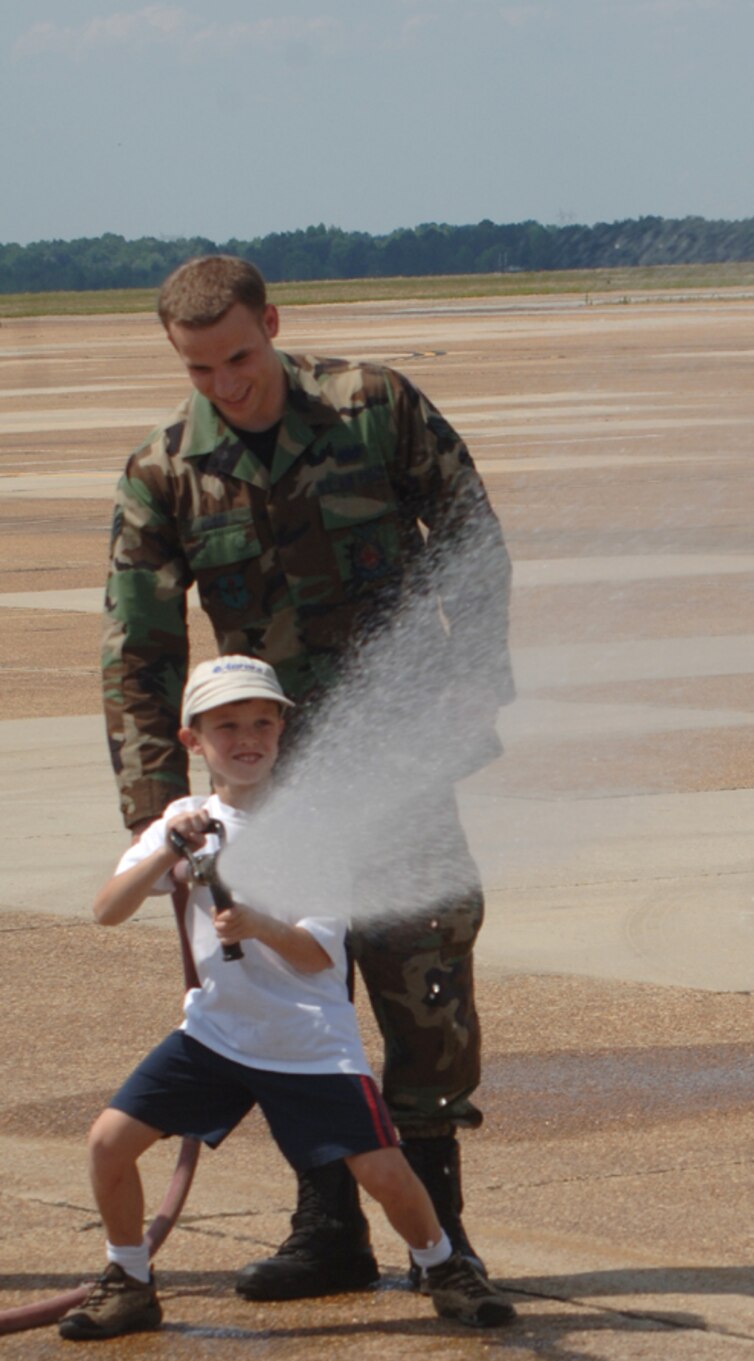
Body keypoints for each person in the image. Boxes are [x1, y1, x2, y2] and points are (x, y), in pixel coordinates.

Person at [102, 254, 512, 1302]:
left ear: (272, 325)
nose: (226, 385)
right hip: (263, 779)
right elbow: (138, 652)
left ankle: (442, 1235)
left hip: (398, 757)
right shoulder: (163, 472)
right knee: (286, 993)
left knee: (422, 973)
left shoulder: (374, 409)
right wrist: (158, 815)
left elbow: (471, 540)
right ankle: (328, 1228)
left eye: (239, 358)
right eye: (199, 370)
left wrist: (471, 685)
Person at [63, 655, 515, 1341]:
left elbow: (318, 956)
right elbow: (107, 910)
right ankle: (127, 1280)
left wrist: (256, 925)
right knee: (108, 1143)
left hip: (306, 1044)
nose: (248, 739)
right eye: (228, 727)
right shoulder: (183, 820)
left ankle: (444, 1267)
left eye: (262, 724)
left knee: (385, 1174)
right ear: (194, 742)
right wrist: (165, 852)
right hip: (215, 1035)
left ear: (281, 732)